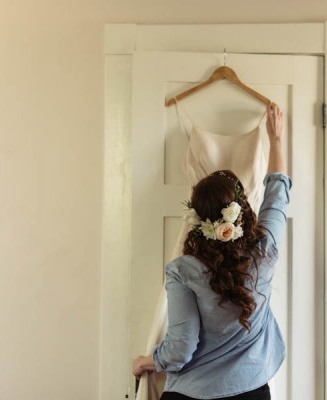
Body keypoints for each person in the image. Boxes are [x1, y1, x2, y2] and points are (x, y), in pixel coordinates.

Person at [132, 103, 289, 400]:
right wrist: (276, 139)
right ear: (241, 211)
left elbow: (181, 347)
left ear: (196, 218)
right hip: (250, 392)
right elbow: (277, 195)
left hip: (191, 394)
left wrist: (147, 362)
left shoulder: (183, 269)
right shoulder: (263, 251)